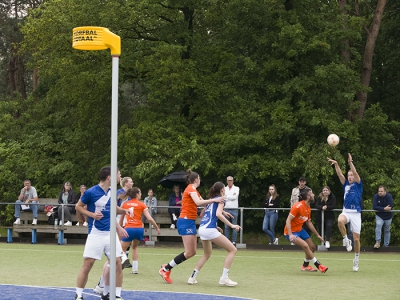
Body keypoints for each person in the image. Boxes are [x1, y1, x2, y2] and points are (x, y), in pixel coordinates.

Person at [158, 169, 225, 284]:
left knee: (192, 252)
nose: (200, 180)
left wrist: (219, 215)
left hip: (189, 221)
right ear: (196, 180)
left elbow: (204, 209)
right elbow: (199, 203)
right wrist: (215, 199)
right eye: (199, 178)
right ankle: (166, 269)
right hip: (185, 221)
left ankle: (167, 267)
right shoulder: (190, 189)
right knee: (189, 252)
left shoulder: (195, 192)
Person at [74, 166, 129, 300]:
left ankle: (113, 294)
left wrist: (124, 211)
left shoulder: (113, 192)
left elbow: (112, 208)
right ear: (109, 177)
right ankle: (78, 295)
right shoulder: (91, 192)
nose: (120, 177)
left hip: (110, 233)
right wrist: (92, 214)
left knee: (117, 262)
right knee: (88, 264)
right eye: (118, 174)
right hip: (96, 233)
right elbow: (78, 206)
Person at [188, 181, 241, 286]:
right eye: (224, 189)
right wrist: (232, 225)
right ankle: (224, 278)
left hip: (203, 228)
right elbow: (218, 214)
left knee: (206, 254)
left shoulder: (211, 201)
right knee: (232, 250)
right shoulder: (221, 200)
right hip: (209, 229)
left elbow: (207, 215)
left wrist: (215, 226)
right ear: (222, 190)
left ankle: (192, 277)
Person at [328, 153, 363, 272]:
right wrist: (336, 164)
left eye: (351, 175)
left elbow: (356, 173)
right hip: (346, 212)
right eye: (349, 175)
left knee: (357, 240)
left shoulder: (358, 184)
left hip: (356, 213)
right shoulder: (346, 184)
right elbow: (339, 174)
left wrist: (350, 163)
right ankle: (345, 239)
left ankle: (356, 259)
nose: (350, 177)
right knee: (339, 220)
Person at [284, 188, 328, 273]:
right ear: (308, 196)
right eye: (312, 193)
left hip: (300, 230)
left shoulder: (308, 208)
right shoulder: (298, 206)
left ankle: (305, 266)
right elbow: (288, 220)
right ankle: (319, 265)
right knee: (305, 245)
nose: (314, 195)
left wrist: (317, 235)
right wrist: (290, 235)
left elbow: (309, 223)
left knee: (312, 247)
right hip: (291, 232)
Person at [120, 187, 161, 274]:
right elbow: (149, 218)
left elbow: (121, 219)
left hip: (129, 229)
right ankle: (135, 269)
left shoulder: (125, 204)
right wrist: (156, 227)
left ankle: (123, 260)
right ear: (137, 194)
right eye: (140, 193)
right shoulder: (142, 204)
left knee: (121, 249)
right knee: (134, 247)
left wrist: (119, 229)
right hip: (139, 229)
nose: (141, 194)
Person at [224, 176, 240, 246]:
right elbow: (223, 197)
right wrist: (229, 197)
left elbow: (234, 197)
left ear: (233, 181)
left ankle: (234, 241)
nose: (229, 182)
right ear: (227, 181)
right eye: (228, 180)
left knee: (234, 226)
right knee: (226, 226)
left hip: (234, 209)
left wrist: (227, 196)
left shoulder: (236, 188)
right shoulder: (224, 188)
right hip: (226, 209)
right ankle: (227, 241)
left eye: (231, 180)